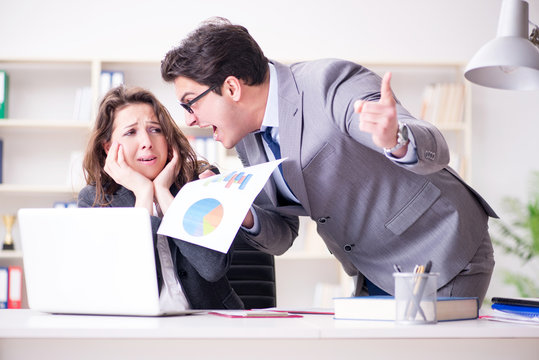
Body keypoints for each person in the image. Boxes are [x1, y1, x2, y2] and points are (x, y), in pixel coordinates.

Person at [160, 17, 497, 305]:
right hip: (375, 268)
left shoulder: (328, 84)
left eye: (191, 103)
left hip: (438, 247)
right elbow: (282, 235)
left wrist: (396, 139)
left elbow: (433, 143)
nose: (190, 119)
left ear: (231, 88)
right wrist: (243, 214)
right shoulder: (248, 139)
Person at [78, 85, 245, 310]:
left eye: (155, 129)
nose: (147, 141)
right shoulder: (95, 200)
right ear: (108, 147)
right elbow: (126, 282)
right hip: (138, 329)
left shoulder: (203, 181)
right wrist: (143, 194)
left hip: (211, 323)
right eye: (130, 132)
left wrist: (165, 194)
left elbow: (212, 266)